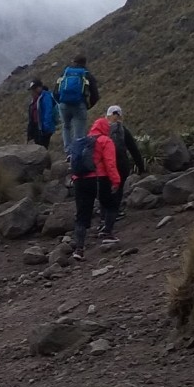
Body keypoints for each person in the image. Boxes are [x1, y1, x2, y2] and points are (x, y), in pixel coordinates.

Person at [70, 116, 121, 261]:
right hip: (99, 179)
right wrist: (116, 181)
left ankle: (79, 249)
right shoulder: (105, 141)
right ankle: (107, 233)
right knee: (111, 205)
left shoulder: (83, 141)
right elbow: (110, 164)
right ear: (105, 128)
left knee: (82, 215)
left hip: (79, 180)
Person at [99, 104, 145, 231]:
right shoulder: (123, 130)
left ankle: (104, 216)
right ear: (119, 116)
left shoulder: (101, 130)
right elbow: (133, 149)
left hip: (104, 166)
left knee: (105, 190)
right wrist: (140, 166)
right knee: (117, 190)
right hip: (121, 164)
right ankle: (113, 214)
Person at [54, 53, 100, 159]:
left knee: (66, 127)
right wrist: (87, 105)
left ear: (74, 62)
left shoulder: (65, 72)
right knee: (79, 131)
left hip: (64, 104)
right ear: (84, 63)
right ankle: (77, 155)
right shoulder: (86, 74)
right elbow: (95, 95)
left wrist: (60, 102)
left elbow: (56, 90)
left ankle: (68, 152)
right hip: (79, 105)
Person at [26, 78, 58, 149]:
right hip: (36, 127)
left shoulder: (46, 97)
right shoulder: (35, 99)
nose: (33, 91)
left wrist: (46, 128)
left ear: (40, 87)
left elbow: (48, 112)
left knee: (42, 147)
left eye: (35, 88)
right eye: (32, 89)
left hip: (43, 128)